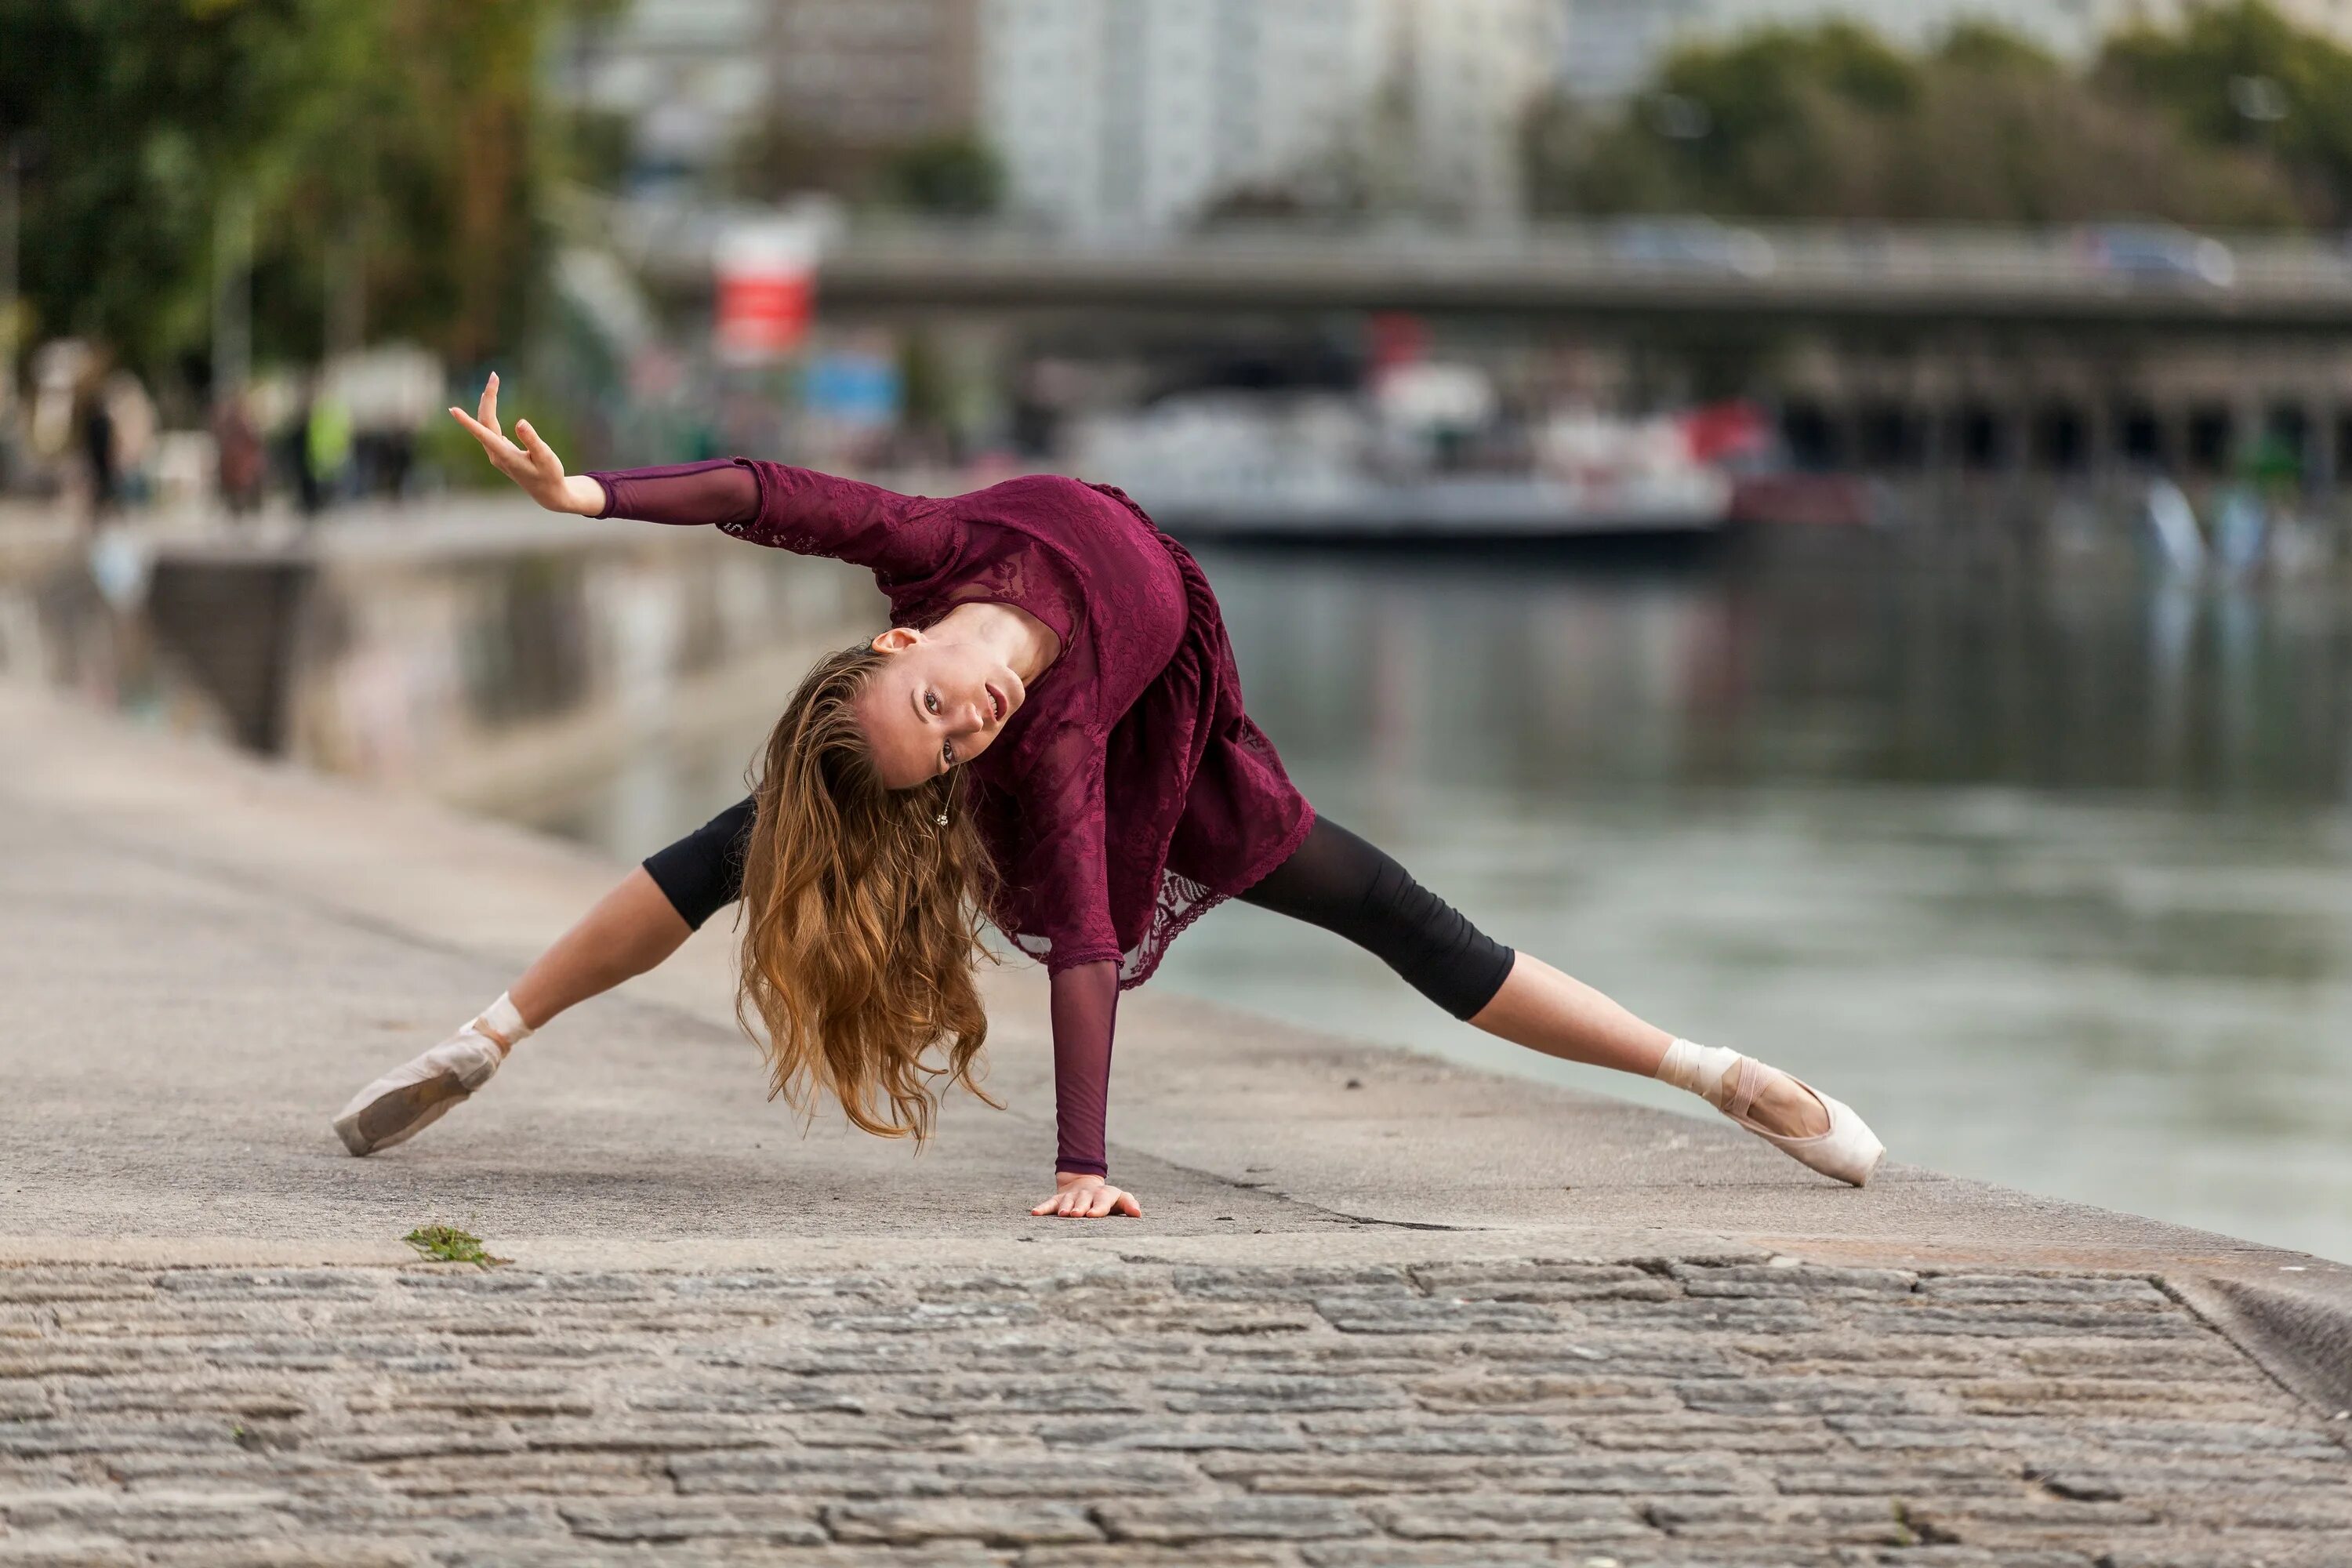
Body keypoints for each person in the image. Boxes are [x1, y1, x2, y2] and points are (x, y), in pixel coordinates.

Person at [333, 374, 1885, 1218]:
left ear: (904, 633)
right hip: (1120, 752)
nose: (967, 717)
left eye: (939, 705)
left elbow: (757, 492)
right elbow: (1081, 946)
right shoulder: (1039, 742)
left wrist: (593, 492)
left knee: (1402, 915)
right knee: (742, 847)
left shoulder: (925, 544)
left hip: (1184, 748)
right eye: (948, 742)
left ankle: (1717, 1074)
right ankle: (489, 1035)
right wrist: (1085, 1165)